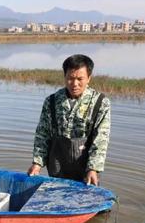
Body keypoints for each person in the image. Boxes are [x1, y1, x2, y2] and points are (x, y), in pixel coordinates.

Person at [27, 54, 111, 185]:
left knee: (84, 201)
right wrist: (37, 163)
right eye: (70, 78)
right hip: (57, 163)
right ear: (64, 77)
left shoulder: (101, 103)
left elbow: (101, 139)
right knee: (57, 197)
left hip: (86, 166)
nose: (75, 84)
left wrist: (93, 168)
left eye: (80, 79)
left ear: (89, 78)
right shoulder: (51, 101)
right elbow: (42, 134)